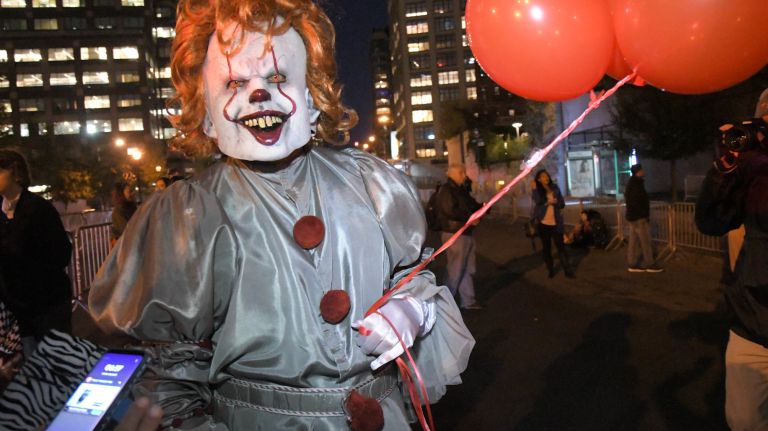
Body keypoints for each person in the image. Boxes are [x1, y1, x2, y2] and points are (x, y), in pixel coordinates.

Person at [88, 1, 474, 429]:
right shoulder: (189, 214)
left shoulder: (371, 183)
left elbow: (412, 275)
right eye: (235, 81)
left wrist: (412, 308)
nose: (258, 94)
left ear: (311, 96)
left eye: (276, 77)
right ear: (207, 112)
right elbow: (164, 373)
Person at [696, 89, 768, 430]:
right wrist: (724, 168)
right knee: (743, 420)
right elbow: (712, 221)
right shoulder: (752, 171)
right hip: (753, 321)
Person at [0, 149, 72, 359]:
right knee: (28, 367)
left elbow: (60, 252)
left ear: (14, 171)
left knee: (55, 363)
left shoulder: (38, 209)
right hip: (16, 307)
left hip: (47, 302)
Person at [434, 164, 482, 310]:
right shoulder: (447, 190)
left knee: (465, 268)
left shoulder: (458, 190)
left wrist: (483, 207)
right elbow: (450, 210)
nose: (464, 176)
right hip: (455, 234)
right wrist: (469, 218)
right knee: (455, 269)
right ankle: (444, 304)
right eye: (462, 173)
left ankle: (467, 300)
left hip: (463, 232)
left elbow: (468, 205)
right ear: (454, 174)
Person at [531, 169, 574, 278]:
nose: (546, 177)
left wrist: (556, 203)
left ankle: (567, 270)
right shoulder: (538, 190)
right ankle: (550, 269)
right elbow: (537, 201)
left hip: (556, 223)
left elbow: (562, 203)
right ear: (539, 179)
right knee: (547, 248)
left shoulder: (555, 188)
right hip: (543, 223)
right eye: (543, 176)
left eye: (547, 175)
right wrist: (536, 190)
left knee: (561, 247)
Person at [624, 164, 663, 273]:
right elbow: (638, 201)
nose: (644, 171)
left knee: (633, 241)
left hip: (633, 217)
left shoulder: (632, 183)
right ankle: (650, 263)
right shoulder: (637, 184)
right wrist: (643, 214)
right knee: (645, 241)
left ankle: (631, 263)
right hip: (639, 218)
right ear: (638, 172)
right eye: (642, 170)